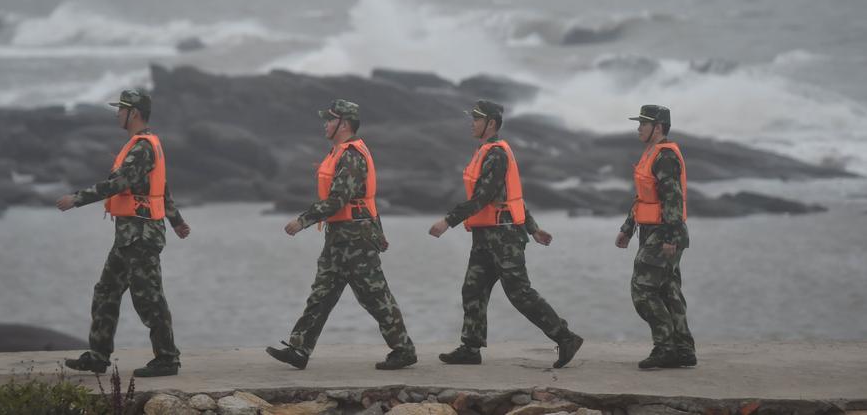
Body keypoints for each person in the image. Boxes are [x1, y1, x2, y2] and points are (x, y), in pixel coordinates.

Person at [429, 100, 583, 368]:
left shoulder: (497, 154)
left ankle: (565, 336)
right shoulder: (485, 151)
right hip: (485, 238)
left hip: (504, 238)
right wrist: (533, 228)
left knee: (520, 294)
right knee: (473, 289)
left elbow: (484, 197)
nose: (472, 123)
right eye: (473, 118)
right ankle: (470, 348)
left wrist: (447, 221)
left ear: (491, 124)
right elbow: (511, 198)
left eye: (477, 119)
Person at [266, 99, 417, 371]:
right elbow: (364, 199)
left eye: (330, 119)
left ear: (344, 124)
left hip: (356, 238)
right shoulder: (338, 152)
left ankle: (404, 350)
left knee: (375, 296)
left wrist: (303, 221)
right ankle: (299, 349)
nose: (325, 123)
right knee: (321, 294)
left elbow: (340, 199)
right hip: (341, 237)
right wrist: (379, 232)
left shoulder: (350, 155)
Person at [56, 89, 190, 378]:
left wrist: (76, 199)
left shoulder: (142, 147)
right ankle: (98, 355)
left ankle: (167, 358)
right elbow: (161, 189)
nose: (117, 113)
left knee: (149, 297)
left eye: (121, 109)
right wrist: (177, 221)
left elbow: (119, 184)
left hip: (141, 236)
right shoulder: (141, 145)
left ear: (135, 114)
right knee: (106, 290)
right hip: (129, 236)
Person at [615, 104, 696, 369]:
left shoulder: (665, 156)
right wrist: (628, 228)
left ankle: (665, 347)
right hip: (655, 230)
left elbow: (673, 197)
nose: (638, 127)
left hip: (664, 232)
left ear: (657, 128)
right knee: (668, 290)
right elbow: (644, 197)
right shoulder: (652, 153)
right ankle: (683, 349)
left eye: (643, 123)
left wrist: (670, 237)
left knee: (642, 289)